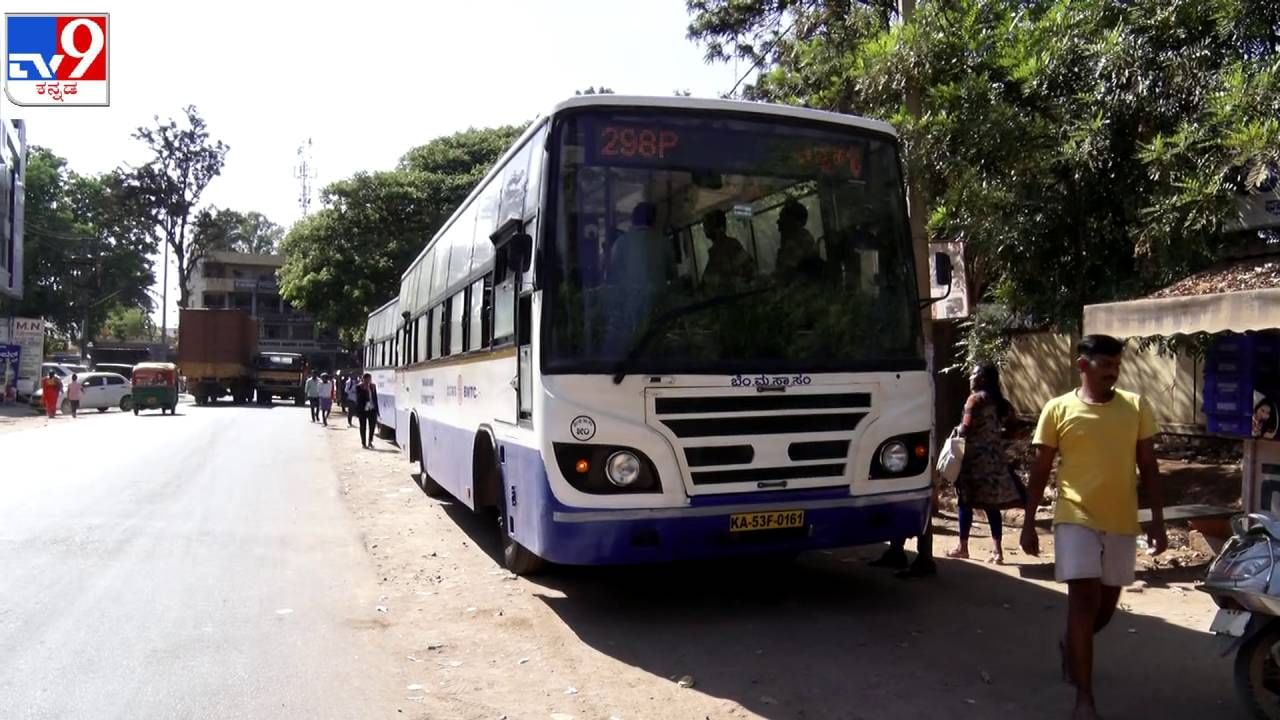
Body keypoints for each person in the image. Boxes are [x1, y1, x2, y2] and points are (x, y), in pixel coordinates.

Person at [1021, 334, 1166, 720]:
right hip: (1074, 517)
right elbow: (1040, 470)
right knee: (1083, 602)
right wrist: (1029, 522)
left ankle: (1071, 645)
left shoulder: (1136, 407)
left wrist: (1157, 521)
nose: (1112, 373)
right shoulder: (1057, 409)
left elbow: (1149, 466)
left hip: (1121, 519)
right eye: (1106, 366)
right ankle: (1084, 699)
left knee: (1105, 609)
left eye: (1117, 366)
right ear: (1083, 365)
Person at [948, 363, 1026, 564]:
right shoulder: (1003, 404)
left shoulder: (974, 400)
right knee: (992, 506)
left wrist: (957, 432)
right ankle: (998, 552)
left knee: (965, 502)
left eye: (974, 374)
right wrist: (995, 438)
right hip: (994, 461)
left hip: (973, 461)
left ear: (982, 378)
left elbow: (965, 429)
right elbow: (1014, 432)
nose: (970, 378)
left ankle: (963, 547)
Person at [700, 209, 753, 287]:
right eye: (705, 226)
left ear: (720, 228)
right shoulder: (714, 251)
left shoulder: (731, 246)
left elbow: (749, 268)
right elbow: (707, 279)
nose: (705, 229)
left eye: (709, 225)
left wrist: (733, 281)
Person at [775, 200, 821, 277]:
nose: (778, 222)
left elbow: (787, 273)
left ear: (795, 222)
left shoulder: (801, 242)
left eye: (782, 217)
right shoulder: (790, 241)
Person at [356, 373, 379, 449]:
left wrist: (377, 409)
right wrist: (363, 390)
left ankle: (370, 441)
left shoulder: (373, 386)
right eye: (367, 379)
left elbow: (375, 398)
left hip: (372, 409)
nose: (369, 380)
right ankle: (363, 443)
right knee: (363, 426)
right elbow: (358, 399)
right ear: (364, 379)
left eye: (370, 379)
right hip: (363, 410)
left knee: (372, 426)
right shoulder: (359, 387)